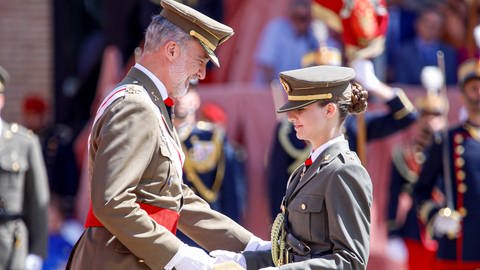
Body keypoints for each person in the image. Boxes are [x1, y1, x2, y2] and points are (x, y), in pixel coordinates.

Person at [67, 1, 269, 269]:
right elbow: (112, 202)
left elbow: (174, 197)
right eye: (200, 61)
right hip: (118, 260)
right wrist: (179, 256)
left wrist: (250, 246)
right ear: (172, 50)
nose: (201, 73)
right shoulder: (136, 106)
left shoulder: (151, 103)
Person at [212, 65, 373, 269]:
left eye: (301, 109)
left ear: (330, 110)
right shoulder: (308, 169)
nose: (291, 117)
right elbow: (290, 255)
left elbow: (351, 262)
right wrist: (243, 262)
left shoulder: (344, 171)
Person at [268, 59, 418, 220]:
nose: (292, 117)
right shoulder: (288, 131)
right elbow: (277, 181)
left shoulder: (354, 125)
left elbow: (406, 117)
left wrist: (374, 84)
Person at [413, 58, 480, 270]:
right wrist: (436, 216)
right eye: (474, 88)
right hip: (459, 247)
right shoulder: (447, 139)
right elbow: (421, 191)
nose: (479, 94)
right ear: (463, 93)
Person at [173, 85, 246, 245]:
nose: (179, 98)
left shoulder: (211, 139)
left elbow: (230, 194)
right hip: (166, 233)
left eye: (186, 91)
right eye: (175, 91)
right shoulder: (158, 135)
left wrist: (231, 242)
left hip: (204, 235)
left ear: (196, 99)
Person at [386, 91, 448, 270]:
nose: (430, 121)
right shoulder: (404, 155)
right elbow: (393, 194)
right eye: (425, 115)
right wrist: (392, 233)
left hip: (446, 227)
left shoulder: (451, 151)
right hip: (414, 230)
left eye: (436, 115)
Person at [0, 66, 50, 270]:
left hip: (11, 241)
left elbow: (39, 201)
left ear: (1, 100)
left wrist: (36, 253)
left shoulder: (24, 142)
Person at [253, 0, 321, 85]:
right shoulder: (276, 29)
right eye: (298, 17)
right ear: (289, 12)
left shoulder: (315, 36)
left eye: (304, 18)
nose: (302, 10)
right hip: (272, 92)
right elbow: (266, 66)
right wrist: (275, 92)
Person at [393, 7, 458, 85]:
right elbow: (402, 84)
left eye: (435, 24)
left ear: (441, 28)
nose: (430, 26)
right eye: (427, 22)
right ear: (417, 24)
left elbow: (451, 85)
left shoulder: (449, 53)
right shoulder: (403, 51)